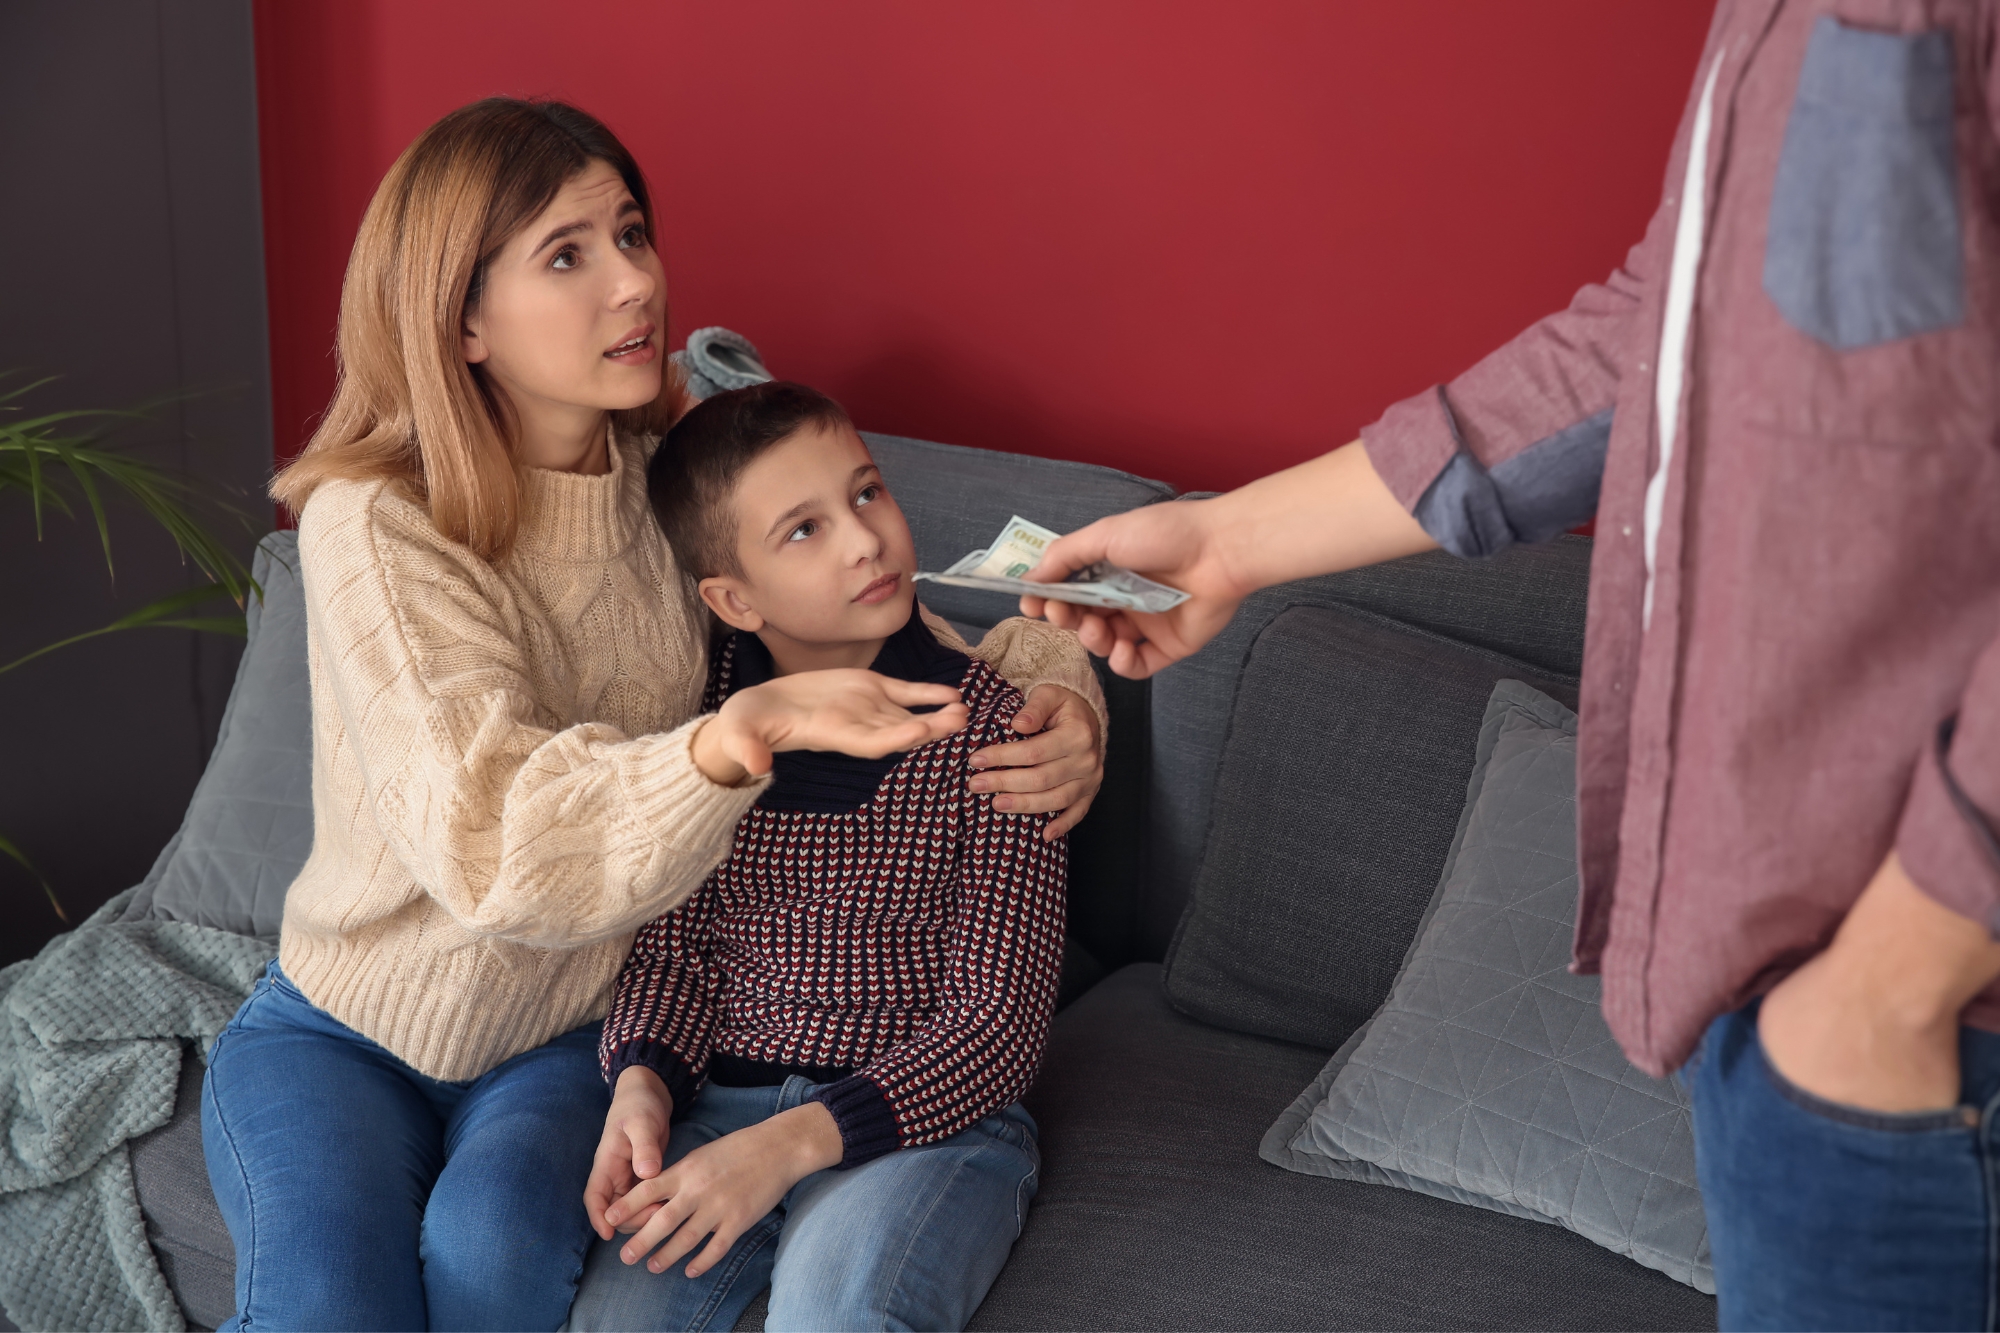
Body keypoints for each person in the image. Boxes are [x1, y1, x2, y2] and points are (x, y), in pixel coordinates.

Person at [1020, 6, 2000, 1328]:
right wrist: (1230, 542)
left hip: (1925, 1026)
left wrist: (1886, 989)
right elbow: (1662, 333)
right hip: (1793, 1004)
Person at [200, 98, 1105, 1333]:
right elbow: (488, 841)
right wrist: (724, 742)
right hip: (347, 1023)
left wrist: (1052, 685)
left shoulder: (664, 473)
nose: (634, 283)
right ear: (462, 320)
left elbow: (869, 614)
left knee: (497, 1267)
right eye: (566, 255)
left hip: (565, 1032)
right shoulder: (377, 518)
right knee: (324, 1309)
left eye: (631, 232)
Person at [565, 381, 1062, 1333]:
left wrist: (787, 1146)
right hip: (717, 1106)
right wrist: (642, 1079)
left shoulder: (1001, 731)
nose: (864, 539)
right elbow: (674, 951)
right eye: (804, 529)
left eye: (867, 493)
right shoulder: (702, 728)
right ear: (732, 597)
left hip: (920, 1122)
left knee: (840, 1317)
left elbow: (996, 1027)